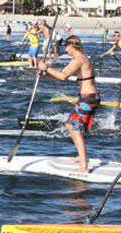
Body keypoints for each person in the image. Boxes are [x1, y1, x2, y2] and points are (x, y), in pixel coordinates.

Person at [36, 35, 100, 172]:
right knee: (72, 126)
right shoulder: (79, 59)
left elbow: (63, 76)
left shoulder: (79, 59)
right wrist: (45, 74)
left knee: (73, 126)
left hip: (89, 98)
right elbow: (62, 74)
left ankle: (84, 166)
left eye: (65, 47)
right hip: (88, 98)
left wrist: (46, 67)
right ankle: (82, 157)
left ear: (71, 46)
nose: (65, 49)